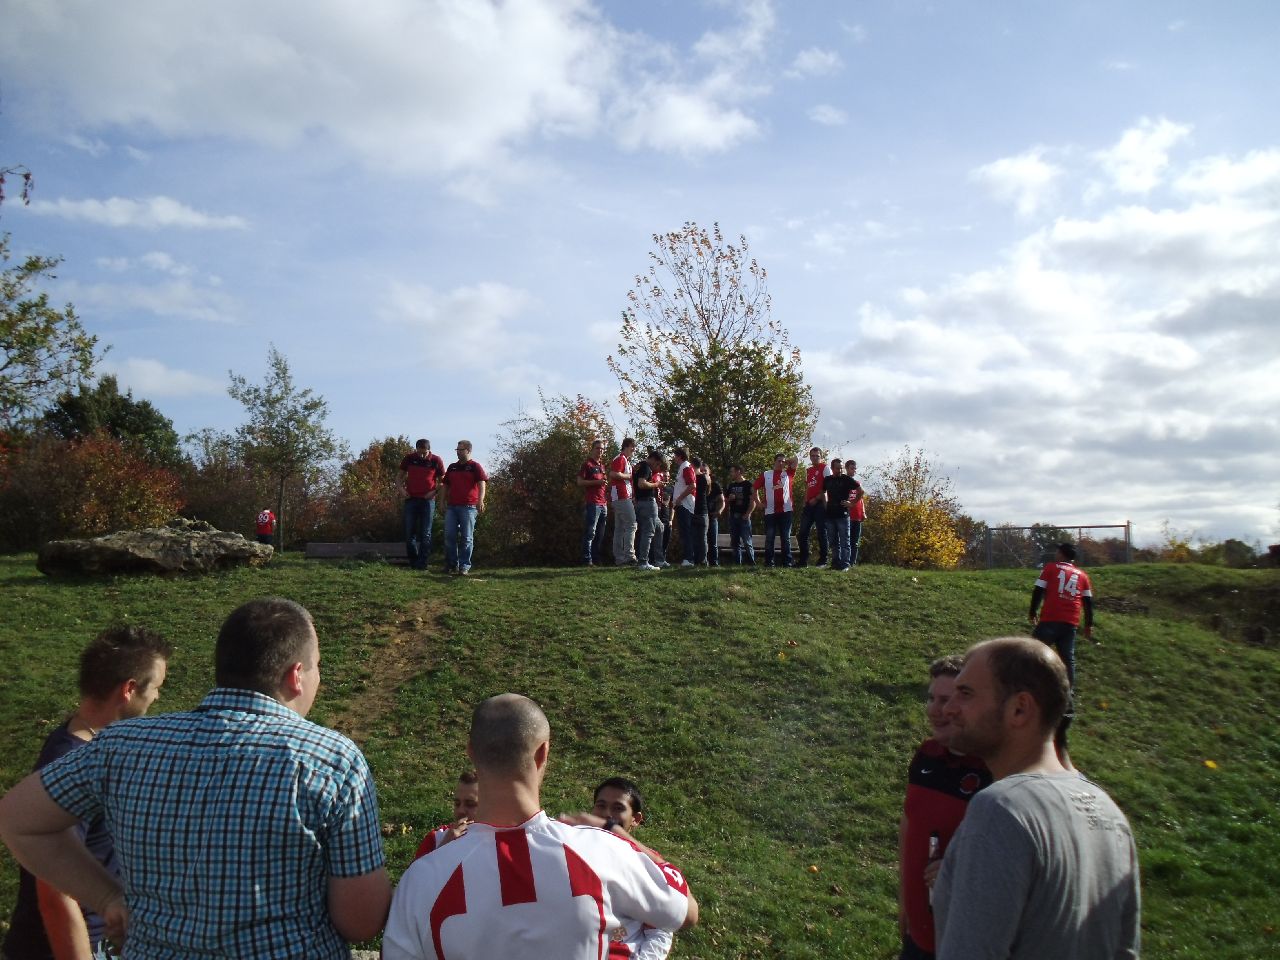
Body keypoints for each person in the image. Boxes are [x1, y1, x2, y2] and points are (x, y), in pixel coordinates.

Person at [0, 598, 392, 960]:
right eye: (318, 666)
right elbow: (360, 921)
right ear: (296, 675)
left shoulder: (121, 745)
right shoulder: (331, 759)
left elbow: (18, 820)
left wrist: (107, 897)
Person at [382, 694, 697, 960]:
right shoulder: (603, 851)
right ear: (543, 752)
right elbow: (685, 913)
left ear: (471, 753)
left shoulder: (421, 880)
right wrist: (624, 837)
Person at [933, 637, 1140, 960]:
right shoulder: (1109, 814)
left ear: (1019, 709)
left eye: (966, 693)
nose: (948, 708)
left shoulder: (1001, 809)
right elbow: (1125, 952)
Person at [3, 626, 172, 960]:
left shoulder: (86, 743)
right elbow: (54, 895)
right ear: (129, 689)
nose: (156, 697)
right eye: (155, 688)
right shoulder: (68, 762)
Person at [897, 655, 992, 960]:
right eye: (931, 699)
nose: (935, 710)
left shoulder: (993, 772)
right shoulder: (927, 754)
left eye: (946, 700)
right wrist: (904, 898)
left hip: (964, 938)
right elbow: (909, 823)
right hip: (918, 929)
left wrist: (956, 864)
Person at [590, 777, 674, 959]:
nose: (606, 814)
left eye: (618, 808)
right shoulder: (569, 848)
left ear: (635, 819)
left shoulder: (648, 864)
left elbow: (661, 930)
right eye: (601, 805)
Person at [1029, 542, 1094, 687]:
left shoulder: (1051, 568)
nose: (1056, 553)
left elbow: (1038, 590)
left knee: (1031, 652)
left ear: (1062, 554)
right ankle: (1068, 698)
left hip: (1050, 619)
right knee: (1067, 659)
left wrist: (1033, 611)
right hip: (1071, 622)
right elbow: (1088, 602)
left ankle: (1028, 687)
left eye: (1058, 551)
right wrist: (1089, 624)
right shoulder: (1082, 575)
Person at [440, 440, 487, 576]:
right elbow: (445, 485)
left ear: (468, 451)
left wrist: (480, 500)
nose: (458, 452)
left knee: (467, 537)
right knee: (449, 535)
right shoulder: (452, 467)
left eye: (460, 450)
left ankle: (464, 566)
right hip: (452, 507)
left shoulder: (475, 466)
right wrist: (442, 501)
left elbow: (482, 484)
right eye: (457, 450)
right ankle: (451, 564)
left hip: (469, 506)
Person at [401, 439, 446, 571]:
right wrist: (401, 490)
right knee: (409, 533)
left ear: (428, 450)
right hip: (411, 499)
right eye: (419, 452)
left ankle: (423, 563)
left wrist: (434, 492)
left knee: (425, 533)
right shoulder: (409, 458)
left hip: (427, 501)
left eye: (424, 453)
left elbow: (443, 481)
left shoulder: (436, 460)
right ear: (416, 449)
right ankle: (413, 562)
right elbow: (399, 477)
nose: (421, 455)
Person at [413, 770, 480, 859]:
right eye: (457, 803)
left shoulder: (498, 841)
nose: (460, 810)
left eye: (470, 804)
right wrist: (444, 846)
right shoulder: (436, 838)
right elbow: (416, 872)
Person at [753, 453, 796, 567]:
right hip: (770, 511)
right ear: (774, 461)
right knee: (770, 537)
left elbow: (795, 459)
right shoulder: (766, 474)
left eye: (783, 461)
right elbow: (753, 488)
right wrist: (758, 503)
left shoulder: (788, 473)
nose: (781, 463)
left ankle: (787, 563)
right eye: (779, 461)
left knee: (785, 537)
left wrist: (787, 461)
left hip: (786, 511)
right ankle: (769, 563)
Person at [796, 447, 831, 567]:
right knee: (803, 533)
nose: (815, 458)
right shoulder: (809, 470)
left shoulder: (825, 468)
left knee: (822, 532)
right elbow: (808, 487)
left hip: (820, 504)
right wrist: (805, 501)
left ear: (821, 457)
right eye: (813, 455)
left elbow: (827, 487)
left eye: (817, 456)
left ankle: (823, 560)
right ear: (810, 457)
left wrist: (816, 499)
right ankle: (803, 560)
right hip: (809, 505)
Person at [577, 438, 608, 566]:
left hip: (603, 503)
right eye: (597, 448)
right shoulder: (587, 465)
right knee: (590, 532)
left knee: (600, 535)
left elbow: (603, 484)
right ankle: (586, 560)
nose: (600, 451)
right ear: (592, 449)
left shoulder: (602, 466)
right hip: (593, 503)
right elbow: (579, 482)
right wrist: (597, 482)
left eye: (602, 449)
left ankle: (596, 559)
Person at [821, 458, 857, 572]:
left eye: (841, 467)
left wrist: (852, 503)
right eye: (837, 468)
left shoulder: (846, 479)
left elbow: (861, 491)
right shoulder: (827, 480)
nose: (840, 470)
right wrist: (825, 504)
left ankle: (845, 564)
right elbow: (822, 492)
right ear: (832, 469)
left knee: (844, 541)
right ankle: (835, 562)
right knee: (833, 541)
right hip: (830, 515)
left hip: (843, 515)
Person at [609, 437, 639, 566]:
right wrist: (629, 476)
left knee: (620, 528)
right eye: (632, 447)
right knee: (632, 524)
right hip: (621, 496)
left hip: (622, 496)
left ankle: (620, 559)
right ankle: (629, 556)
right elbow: (614, 474)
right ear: (626, 446)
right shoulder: (620, 459)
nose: (634, 449)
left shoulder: (625, 460)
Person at [633, 450, 664, 572]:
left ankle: (659, 559)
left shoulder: (639, 465)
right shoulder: (646, 467)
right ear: (655, 460)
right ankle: (643, 562)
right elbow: (641, 484)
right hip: (647, 502)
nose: (657, 467)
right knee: (648, 532)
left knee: (659, 527)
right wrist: (656, 484)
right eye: (658, 464)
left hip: (640, 502)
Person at [670, 448, 698, 568]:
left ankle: (689, 558)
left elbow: (692, 485)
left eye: (675, 456)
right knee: (684, 532)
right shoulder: (683, 468)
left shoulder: (686, 467)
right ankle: (688, 558)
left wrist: (680, 498)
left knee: (686, 532)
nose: (673, 458)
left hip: (685, 505)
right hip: (682, 505)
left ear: (680, 456)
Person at [725, 465, 756, 565]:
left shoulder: (748, 484)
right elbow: (725, 500)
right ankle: (737, 563)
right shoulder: (731, 485)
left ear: (738, 472)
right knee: (735, 542)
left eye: (732, 472)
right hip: (733, 516)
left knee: (747, 541)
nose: (731, 474)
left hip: (744, 517)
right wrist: (729, 498)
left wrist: (748, 514)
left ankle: (751, 562)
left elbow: (753, 501)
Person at [650, 453, 672, 568]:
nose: (666, 478)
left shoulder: (669, 488)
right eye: (665, 476)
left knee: (662, 534)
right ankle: (651, 559)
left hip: (664, 516)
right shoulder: (656, 480)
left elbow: (672, 504)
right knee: (652, 533)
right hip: (655, 510)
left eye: (668, 477)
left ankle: (660, 558)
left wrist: (671, 519)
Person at [704, 464, 726, 567]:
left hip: (712, 516)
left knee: (713, 542)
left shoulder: (715, 485)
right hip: (700, 516)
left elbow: (722, 500)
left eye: (705, 471)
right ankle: (702, 561)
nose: (703, 473)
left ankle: (714, 563)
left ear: (709, 472)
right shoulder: (696, 484)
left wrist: (719, 510)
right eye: (702, 471)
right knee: (701, 541)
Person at [846, 459, 867, 566]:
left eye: (855, 469)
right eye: (852, 468)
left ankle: (852, 562)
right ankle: (845, 561)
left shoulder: (857, 483)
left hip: (857, 515)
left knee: (855, 542)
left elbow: (861, 498)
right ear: (846, 468)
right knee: (847, 541)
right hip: (847, 516)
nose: (854, 470)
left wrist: (863, 512)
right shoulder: (843, 482)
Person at [690, 457, 709, 566]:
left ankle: (698, 560)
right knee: (702, 538)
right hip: (703, 510)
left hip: (695, 509)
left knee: (697, 538)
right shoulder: (705, 478)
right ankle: (702, 560)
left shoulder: (694, 478)